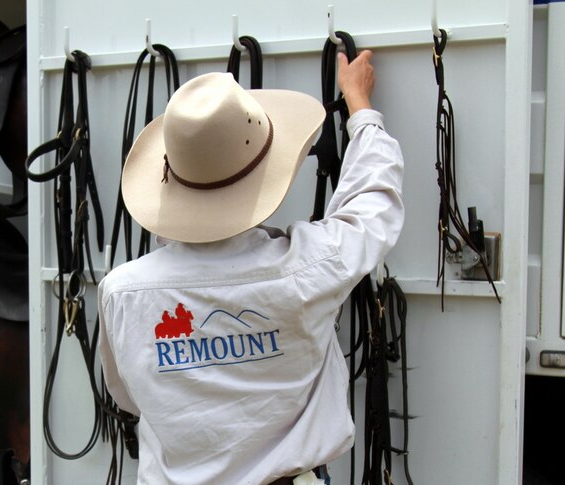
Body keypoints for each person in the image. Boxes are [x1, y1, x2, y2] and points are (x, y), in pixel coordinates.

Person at [98, 50, 404, 485]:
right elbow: (374, 206)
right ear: (264, 172)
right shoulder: (309, 265)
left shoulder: (122, 292)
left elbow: (128, 395)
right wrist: (360, 107)